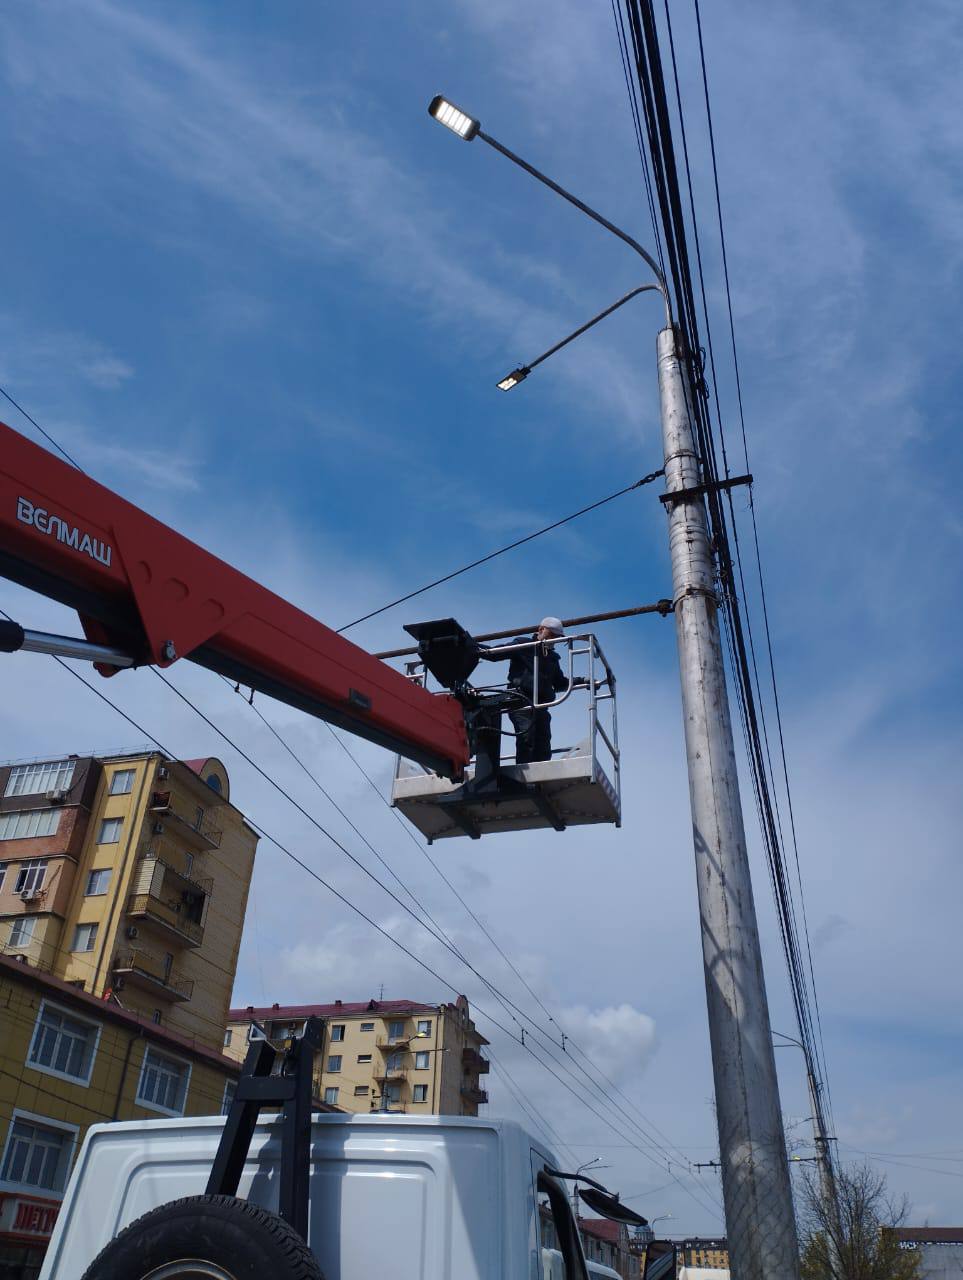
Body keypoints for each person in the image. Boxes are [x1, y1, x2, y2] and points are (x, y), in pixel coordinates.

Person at [481, 617, 570, 764]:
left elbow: (560, 683)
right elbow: (495, 653)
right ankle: (524, 780)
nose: (554, 639)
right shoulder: (525, 645)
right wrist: (472, 646)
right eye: (552, 634)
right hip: (520, 701)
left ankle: (539, 778)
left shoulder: (552, 659)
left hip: (540, 705)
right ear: (541, 630)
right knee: (527, 737)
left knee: (543, 743)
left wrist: (584, 681)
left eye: (558, 637)